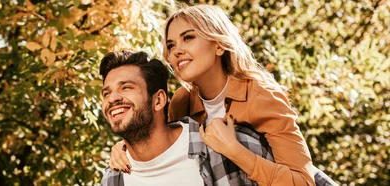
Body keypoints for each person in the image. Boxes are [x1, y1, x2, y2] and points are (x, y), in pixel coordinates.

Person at [108, 4, 316, 186]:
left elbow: (303, 182)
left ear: (218, 45)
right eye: (171, 45)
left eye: (188, 38)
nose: (176, 51)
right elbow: (159, 141)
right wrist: (125, 147)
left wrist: (235, 151)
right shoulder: (181, 101)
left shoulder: (262, 97)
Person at [99, 50, 275, 185]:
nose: (112, 98)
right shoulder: (113, 178)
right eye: (106, 93)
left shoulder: (231, 149)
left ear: (158, 100)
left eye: (126, 87)